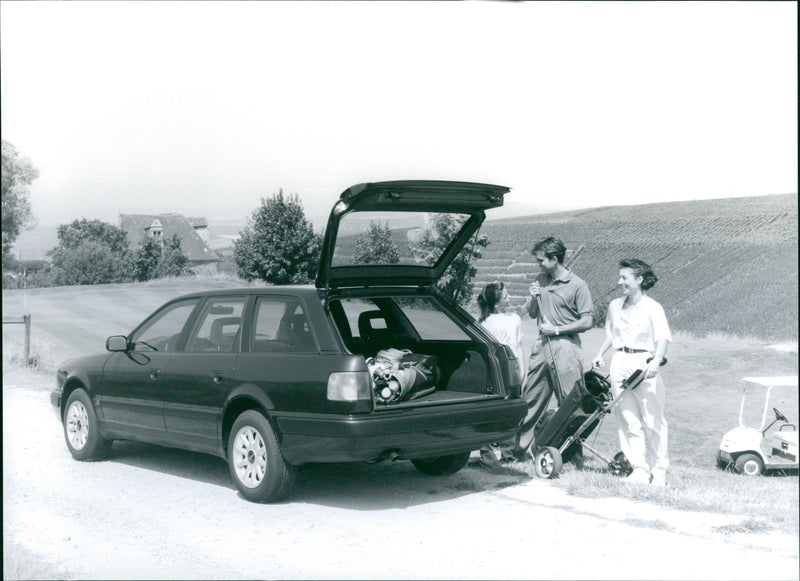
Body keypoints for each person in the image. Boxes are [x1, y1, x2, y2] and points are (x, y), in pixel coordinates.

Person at [591, 259, 672, 486]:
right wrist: (600, 354)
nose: (620, 282)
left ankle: (659, 471)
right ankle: (639, 468)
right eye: (620, 277)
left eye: (624, 278)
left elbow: (662, 337)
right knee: (627, 418)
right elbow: (611, 334)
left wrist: (656, 360)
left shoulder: (653, 308)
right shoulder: (615, 305)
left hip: (644, 363)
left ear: (639, 280)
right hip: (619, 361)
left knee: (653, 418)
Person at [513, 237, 594, 459]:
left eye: (541, 261)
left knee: (569, 402)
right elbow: (532, 313)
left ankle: (570, 455)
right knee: (530, 398)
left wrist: (557, 330)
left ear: (554, 259)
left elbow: (587, 322)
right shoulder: (541, 279)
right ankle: (517, 451)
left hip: (566, 346)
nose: (538, 265)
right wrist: (533, 297)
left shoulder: (578, 285)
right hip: (542, 346)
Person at [477, 281, 525, 379]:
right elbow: (518, 348)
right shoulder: (514, 319)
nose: (510, 297)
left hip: (492, 366)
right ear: (496, 305)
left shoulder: (483, 322)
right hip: (510, 366)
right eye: (506, 296)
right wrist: (522, 372)